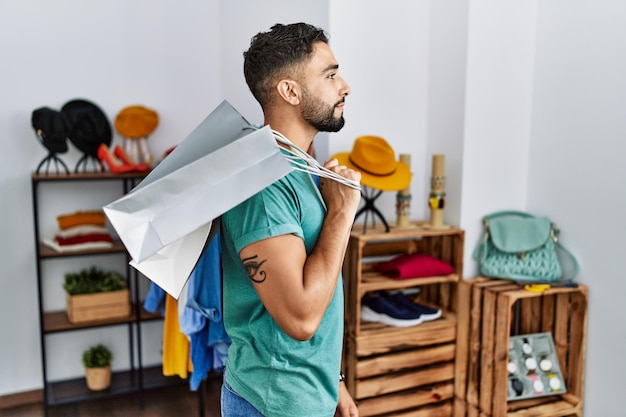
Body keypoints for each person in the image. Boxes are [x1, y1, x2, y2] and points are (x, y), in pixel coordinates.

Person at [219, 23, 361, 417]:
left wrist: (333, 380)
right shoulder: (263, 185)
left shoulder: (300, 166)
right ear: (290, 91)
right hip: (273, 401)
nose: (344, 86)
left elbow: (320, 285)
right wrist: (342, 211)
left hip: (305, 394)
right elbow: (300, 318)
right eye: (330, 75)